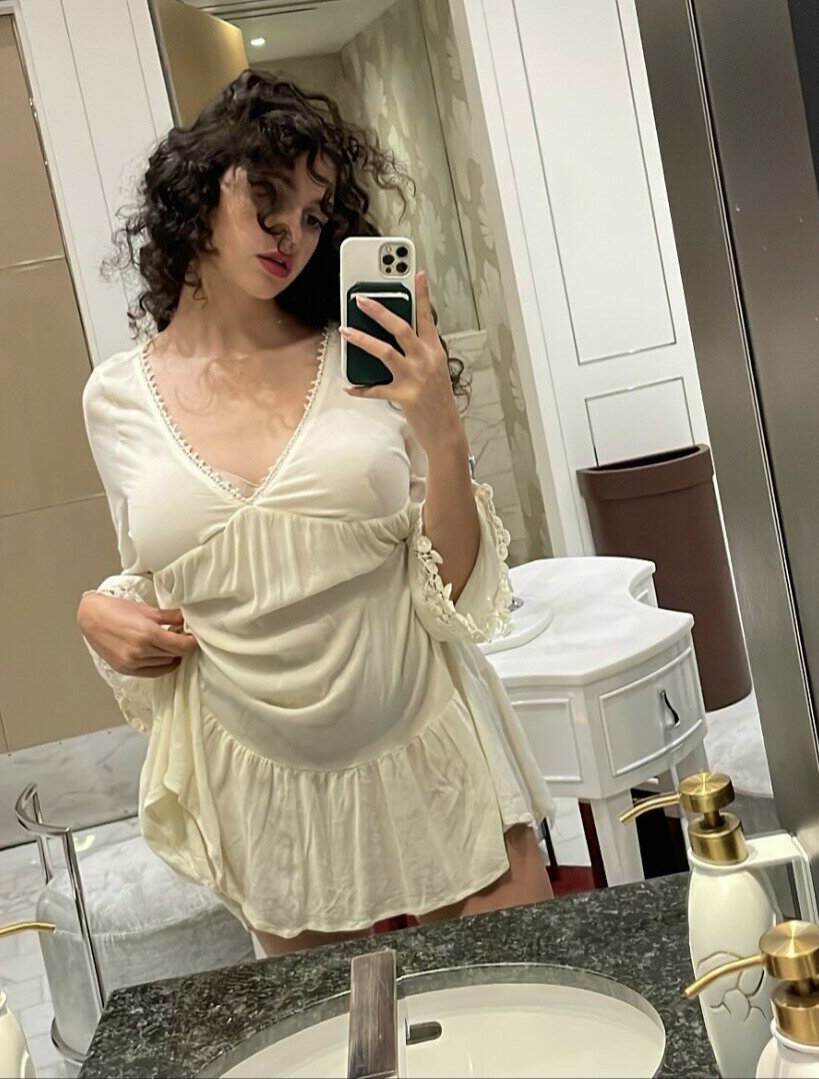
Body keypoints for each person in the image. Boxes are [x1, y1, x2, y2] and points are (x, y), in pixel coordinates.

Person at [77, 70, 554, 958]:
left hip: (430, 747)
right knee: (332, 1032)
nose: (291, 232)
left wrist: (442, 429)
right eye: (269, 197)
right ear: (197, 193)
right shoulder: (116, 400)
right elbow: (161, 573)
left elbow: (450, 589)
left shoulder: (360, 359)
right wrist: (95, 610)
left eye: (314, 212)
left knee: (521, 1004)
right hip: (270, 795)